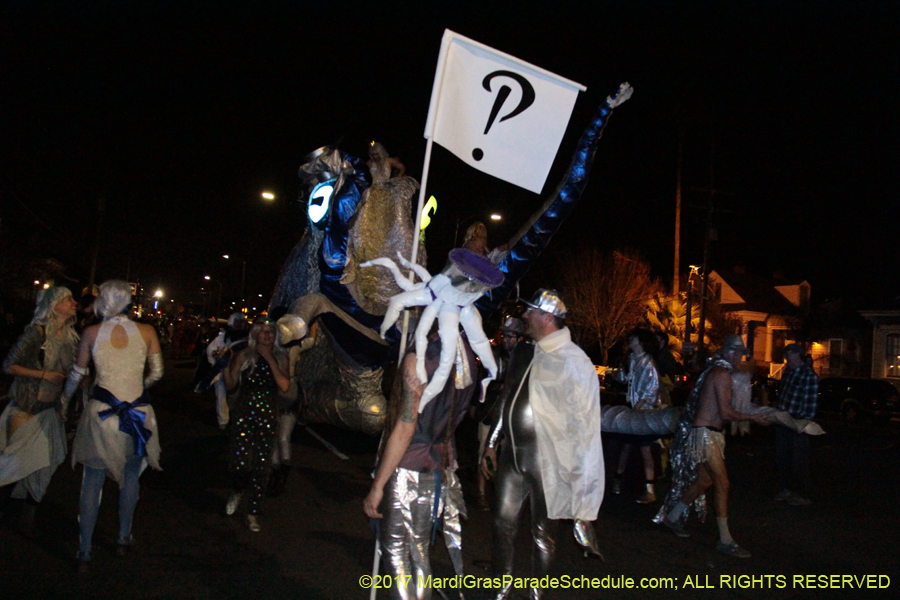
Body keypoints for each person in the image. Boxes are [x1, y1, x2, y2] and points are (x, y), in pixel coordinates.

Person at [482, 289, 603, 599]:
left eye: (531, 312)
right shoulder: (525, 351)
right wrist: (493, 442)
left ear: (548, 318)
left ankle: (539, 594)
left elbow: (585, 428)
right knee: (501, 523)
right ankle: (501, 586)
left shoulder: (574, 361)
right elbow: (508, 396)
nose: (525, 316)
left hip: (547, 460)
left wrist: (583, 492)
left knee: (542, 535)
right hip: (513, 454)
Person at [363, 333, 479, 600]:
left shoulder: (422, 357)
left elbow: (406, 427)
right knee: (419, 552)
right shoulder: (466, 357)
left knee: (396, 554)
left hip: (407, 464)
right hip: (436, 464)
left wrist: (378, 485)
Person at [62, 280, 164, 571]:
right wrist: (137, 388)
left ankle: (84, 550)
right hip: (138, 414)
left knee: (92, 482)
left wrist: (65, 402)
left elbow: (76, 373)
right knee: (131, 478)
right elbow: (157, 373)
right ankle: (123, 537)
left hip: (101, 414)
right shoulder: (147, 332)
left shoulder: (91, 333)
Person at [657, 335, 768, 558]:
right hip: (706, 435)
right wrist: (753, 418)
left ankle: (673, 516)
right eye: (733, 352)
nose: (737, 356)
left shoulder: (717, 372)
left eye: (740, 352)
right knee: (723, 483)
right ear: (724, 353)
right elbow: (726, 412)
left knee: (705, 480)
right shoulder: (721, 374)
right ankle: (725, 540)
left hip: (708, 433)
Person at [0, 287, 79, 532]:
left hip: (49, 410)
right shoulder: (36, 333)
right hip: (26, 408)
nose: (74, 303)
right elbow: (9, 366)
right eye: (68, 299)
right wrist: (43, 374)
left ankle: (28, 513)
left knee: (47, 464)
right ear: (54, 304)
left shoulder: (70, 337)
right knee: (15, 464)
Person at [223, 316, 290, 532]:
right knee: (239, 462)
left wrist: (269, 358)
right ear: (255, 334)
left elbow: (284, 386)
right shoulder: (245, 354)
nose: (267, 335)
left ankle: (253, 512)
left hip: (268, 413)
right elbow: (231, 384)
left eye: (271, 331)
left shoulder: (281, 357)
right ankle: (237, 490)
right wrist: (226, 364)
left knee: (262, 465)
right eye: (262, 331)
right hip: (244, 411)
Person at [473, 315, 525, 511]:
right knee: (484, 452)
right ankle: (481, 493)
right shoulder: (493, 355)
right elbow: (482, 380)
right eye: (505, 335)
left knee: (508, 458)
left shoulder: (524, 358)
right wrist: (477, 403)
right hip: (491, 412)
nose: (507, 339)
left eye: (511, 336)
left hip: (513, 417)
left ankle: (504, 495)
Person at [613, 328, 664, 504]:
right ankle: (618, 480)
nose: (630, 341)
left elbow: (652, 387)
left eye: (632, 338)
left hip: (642, 411)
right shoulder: (632, 360)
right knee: (627, 444)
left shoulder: (647, 362)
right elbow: (626, 379)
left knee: (644, 447)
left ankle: (650, 489)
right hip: (633, 408)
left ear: (641, 342)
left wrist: (639, 407)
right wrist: (617, 372)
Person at [774, 343, 818, 506]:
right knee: (782, 457)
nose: (786, 357)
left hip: (798, 423)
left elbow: (811, 403)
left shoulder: (808, 375)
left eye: (788, 353)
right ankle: (787, 488)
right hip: (783, 420)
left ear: (796, 354)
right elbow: (784, 395)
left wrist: (803, 421)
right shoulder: (788, 372)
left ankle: (803, 493)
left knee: (798, 460)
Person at [204, 313, 248, 430]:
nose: (239, 325)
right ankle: (223, 420)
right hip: (224, 369)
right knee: (221, 395)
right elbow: (211, 351)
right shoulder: (221, 338)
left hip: (241, 372)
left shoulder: (247, 338)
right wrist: (218, 358)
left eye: (241, 322)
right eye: (236, 322)